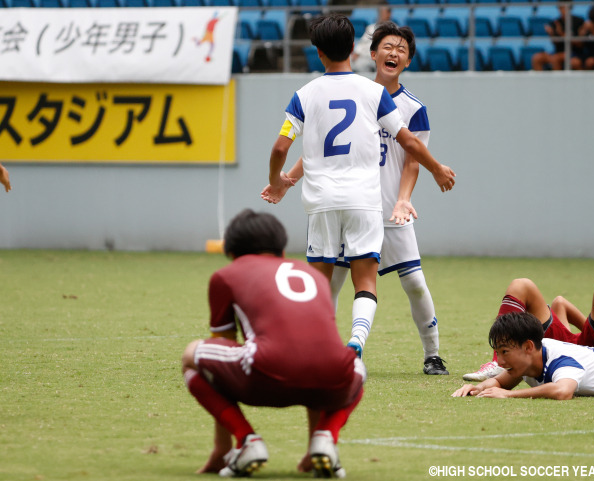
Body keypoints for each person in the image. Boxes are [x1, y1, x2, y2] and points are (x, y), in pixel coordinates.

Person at [265, 14, 456, 361]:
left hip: (352, 205)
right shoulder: (371, 94)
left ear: (318, 52)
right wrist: (438, 168)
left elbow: (284, 146)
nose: (394, 52)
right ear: (364, 50)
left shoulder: (309, 94)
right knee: (356, 281)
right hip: (363, 201)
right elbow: (408, 144)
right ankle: (347, 345)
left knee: (393, 282)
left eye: (401, 48)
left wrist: (279, 181)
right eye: (388, 46)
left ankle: (429, 354)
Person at [181, 209, 366, 478]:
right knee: (356, 368)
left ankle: (246, 441)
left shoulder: (226, 275)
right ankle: (324, 439)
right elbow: (314, 348)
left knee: (191, 356)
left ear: (232, 252)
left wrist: (221, 448)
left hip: (266, 375)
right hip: (331, 378)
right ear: (280, 248)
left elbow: (222, 345)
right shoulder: (313, 275)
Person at [462, 275, 594, 382]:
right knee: (521, 284)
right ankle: (497, 365)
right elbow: (560, 303)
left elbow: (560, 302)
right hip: (574, 345)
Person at [452, 311, 594, 400]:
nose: (500, 361)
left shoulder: (561, 359)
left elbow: (563, 391)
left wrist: (510, 395)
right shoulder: (528, 361)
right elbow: (500, 382)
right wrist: (476, 388)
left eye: (505, 352)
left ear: (527, 346)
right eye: (498, 353)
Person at [532, 3, 584, 71]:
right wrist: (551, 34)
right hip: (557, 52)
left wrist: (561, 33)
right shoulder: (556, 22)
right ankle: (539, 81)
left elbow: (579, 44)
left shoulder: (578, 22)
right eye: (561, 8)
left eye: (565, 8)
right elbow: (555, 43)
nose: (563, 11)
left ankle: (558, 81)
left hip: (573, 53)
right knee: (537, 58)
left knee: (556, 59)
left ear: (570, 8)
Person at [351, 5, 392, 72]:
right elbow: (362, 43)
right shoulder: (371, 27)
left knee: (361, 65)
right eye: (380, 12)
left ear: (389, 14)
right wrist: (355, 54)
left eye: (383, 12)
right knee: (346, 60)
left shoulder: (393, 30)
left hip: (373, 59)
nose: (381, 15)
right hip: (362, 57)